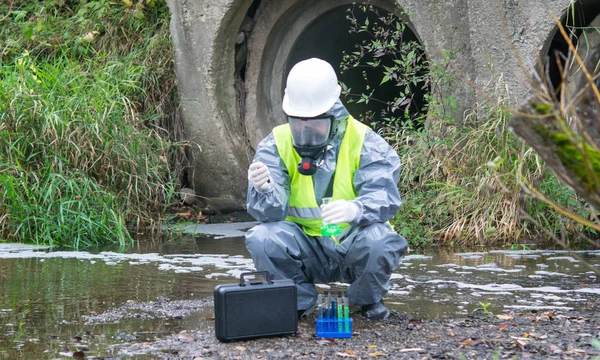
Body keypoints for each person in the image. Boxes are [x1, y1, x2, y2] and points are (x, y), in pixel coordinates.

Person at [245, 57, 408, 320]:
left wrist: (356, 209)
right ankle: (297, 302)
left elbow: (385, 196)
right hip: (305, 249)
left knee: (381, 240)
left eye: (315, 124)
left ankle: (366, 301)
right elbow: (270, 217)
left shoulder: (364, 141)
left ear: (333, 113)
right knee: (261, 237)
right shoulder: (276, 143)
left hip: (349, 245)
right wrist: (263, 189)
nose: (305, 132)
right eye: (298, 123)